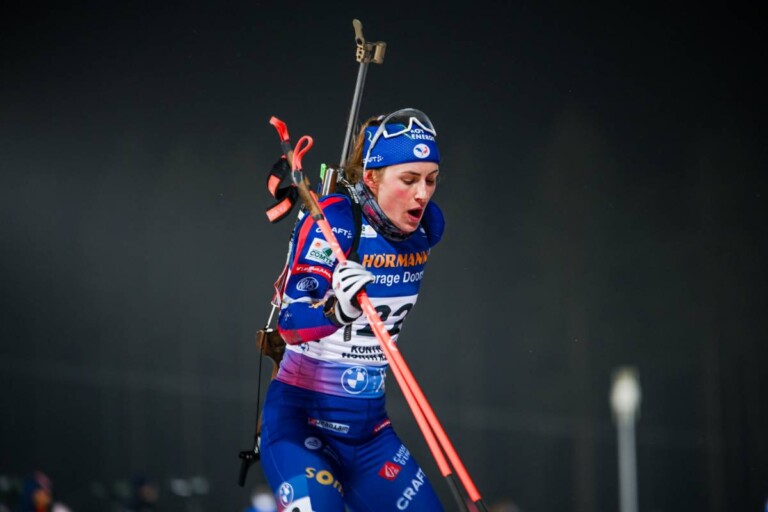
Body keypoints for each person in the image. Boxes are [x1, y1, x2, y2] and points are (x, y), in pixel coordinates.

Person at [258, 108, 445, 511]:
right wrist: (335, 311)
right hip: (301, 426)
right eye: (409, 179)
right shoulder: (336, 223)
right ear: (372, 178)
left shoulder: (425, 229)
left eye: (430, 179)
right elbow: (290, 322)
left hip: (369, 435)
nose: (423, 194)